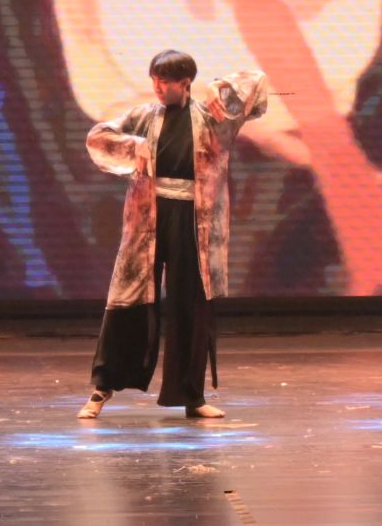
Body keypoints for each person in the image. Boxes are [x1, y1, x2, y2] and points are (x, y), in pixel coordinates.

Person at [78, 50, 268, 420]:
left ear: (185, 83)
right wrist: (135, 146)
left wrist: (218, 86)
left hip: (194, 222)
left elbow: (257, 83)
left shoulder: (213, 116)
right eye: (155, 81)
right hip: (148, 217)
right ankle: (102, 388)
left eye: (164, 82)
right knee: (129, 297)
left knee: (191, 304)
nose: (158, 88)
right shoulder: (145, 116)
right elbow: (98, 137)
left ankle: (191, 396)